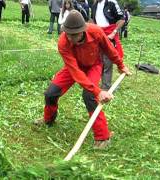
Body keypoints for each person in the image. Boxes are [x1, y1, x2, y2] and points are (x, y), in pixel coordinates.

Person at [34, 10, 131, 149]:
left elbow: (110, 49)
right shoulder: (63, 42)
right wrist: (99, 91)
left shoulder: (96, 32)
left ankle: (103, 137)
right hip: (73, 67)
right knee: (51, 93)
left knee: (89, 95)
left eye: (75, 35)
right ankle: (48, 119)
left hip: (93, 65)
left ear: (83, 30)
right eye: (68, 34)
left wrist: (121, 65)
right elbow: (74, 71)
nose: (71, 38)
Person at [91, 0, 125, 90]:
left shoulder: (111, 2)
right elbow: (92, 20)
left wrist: (113, 33)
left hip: (109, 35)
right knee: (98, 60)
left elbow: (121, 19)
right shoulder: (94, 5)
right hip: (98, 34)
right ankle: (99, 82)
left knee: (107, 61)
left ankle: (106, 87)